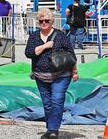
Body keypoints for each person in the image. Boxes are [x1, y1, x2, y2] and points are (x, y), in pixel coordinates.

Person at [25, 8, 78, 139]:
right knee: (47, 103)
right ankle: (50, 129)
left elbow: (71, 54)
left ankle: (53, 129)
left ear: (51, 22)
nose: (44, 23)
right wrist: (45, 46)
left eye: (46, 20)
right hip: (41, 75)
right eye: (41, 21)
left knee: (57, 101)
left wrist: (75, 71)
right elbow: (29, 53)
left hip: (61, 74)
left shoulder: (60, 35)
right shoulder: (34, 36)